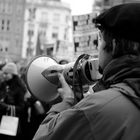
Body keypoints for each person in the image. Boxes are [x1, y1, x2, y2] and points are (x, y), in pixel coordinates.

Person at [33, 3, 140, 140]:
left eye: (100, 41)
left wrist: (67, 101)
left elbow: (43, 137)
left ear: (113, 45)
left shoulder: (97, 107)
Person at [0, 62, 26, 140]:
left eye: (6, 74)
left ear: (13, 74)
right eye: (3, 73)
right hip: (1, 118)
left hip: (11, 121)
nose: (4, 75)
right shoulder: (3, 84)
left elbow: (21, 107)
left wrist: (6, 107)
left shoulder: (19, 88)